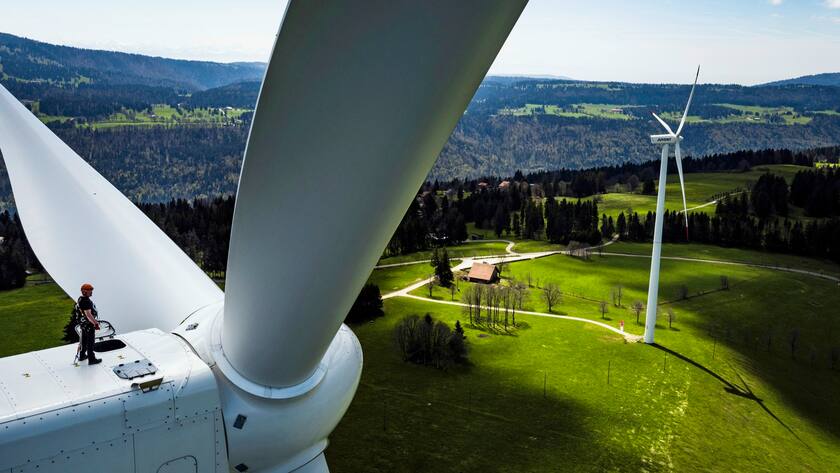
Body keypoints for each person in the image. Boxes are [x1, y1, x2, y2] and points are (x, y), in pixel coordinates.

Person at [78, 283, 102, 365]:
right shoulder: (86, 301)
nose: (91, 292)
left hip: (83, 324)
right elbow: (88, 314)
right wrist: (95, 323)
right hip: (88, 324)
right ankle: (92, 359)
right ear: (84, 292)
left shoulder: (80, 299)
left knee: (84, 341)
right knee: (90, 343)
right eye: (89, 291)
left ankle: (82, 355)